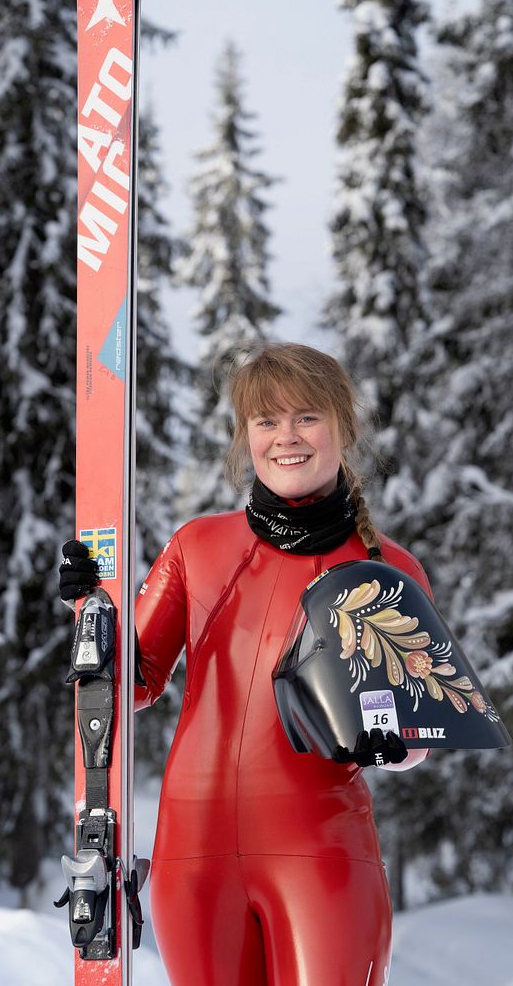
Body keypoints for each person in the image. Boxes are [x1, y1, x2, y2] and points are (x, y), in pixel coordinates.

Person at [60, 342, 432, 986]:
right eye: (266, 421)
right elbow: (130, 683)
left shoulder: (386, 569)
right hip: (194, 856)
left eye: (307, 417)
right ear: (246, 437)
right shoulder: (199, 546)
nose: (287, 437)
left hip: (322, 855)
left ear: (342, 426)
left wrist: (393, 743)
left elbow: (416, 727)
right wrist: (91, 613)